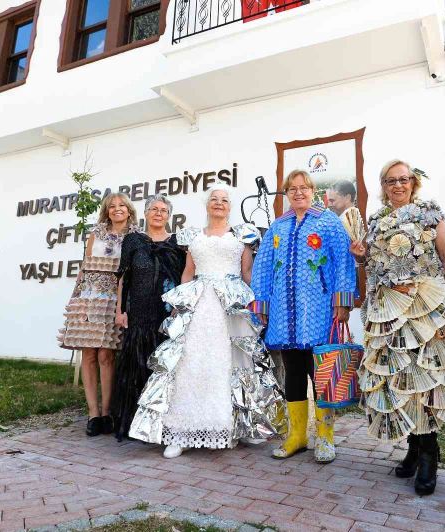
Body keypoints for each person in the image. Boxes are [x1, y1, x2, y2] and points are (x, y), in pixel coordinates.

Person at [129, 185, 284, 458]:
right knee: (192, 362)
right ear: (207, 205)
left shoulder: (241, 235)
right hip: (200, 306)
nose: (219, 203)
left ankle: (237, 426)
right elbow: (188, 273)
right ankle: (183, 431)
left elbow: (247, 272)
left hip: (232, 306)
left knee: (236, 363)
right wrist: (179, 306)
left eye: (224, 200)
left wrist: (257, 306)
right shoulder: (193, 237)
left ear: (230, 206)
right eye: (214, 199)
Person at [350, 160, 445, 496]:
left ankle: (430, 453)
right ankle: (413, 448)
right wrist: (360, 255)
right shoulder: (375, 221)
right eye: (391, 181)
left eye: (403, 179)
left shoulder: (429, 212)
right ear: (383, 185)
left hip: (424, 308)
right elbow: (375, 263)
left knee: (425, 379)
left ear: (413, 182)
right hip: (388, 310)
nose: (398, 186)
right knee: (397, 379)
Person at [251, 170, 356, 464]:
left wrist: (343, 302)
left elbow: (344, 263)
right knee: (294, 374)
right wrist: (262, 305)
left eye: (303, 187)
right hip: (285, 314)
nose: (298, 193)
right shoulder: (278, 227)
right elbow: (263, 267)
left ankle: (325, 438)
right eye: (292, 189)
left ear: (313, 190)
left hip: (320, 311)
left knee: (320, 373)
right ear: (286, 194)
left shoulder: (328, 222)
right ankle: (297, 436)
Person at [59, 193, 140, 437]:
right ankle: (93, 414)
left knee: (106, 354)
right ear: (106, 211)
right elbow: (83, 269)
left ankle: (108, 413)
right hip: (88, 298)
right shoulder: (95, 234)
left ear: (129, 210)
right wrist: (76, 301)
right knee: (88, 353)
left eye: (121, 205)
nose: (117, 209)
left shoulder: (135, 237)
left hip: (115, 300)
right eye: (112, 206)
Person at [112, 195, 186, 441]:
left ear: (168, 215)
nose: (158, 213)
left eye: (163, 210)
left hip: (166, 314)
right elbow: (123, 277)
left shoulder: (177, 243)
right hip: (138, 313)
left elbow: (185, 278)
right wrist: (120, 310)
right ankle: (135, 423)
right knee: (136, 367)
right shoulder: (132, 241)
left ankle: (163, 423)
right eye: (153, 209)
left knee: (163, 368)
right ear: (145, 213)